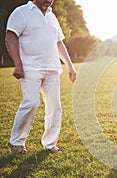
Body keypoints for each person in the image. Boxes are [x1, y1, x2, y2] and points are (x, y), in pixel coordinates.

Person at [5, 0, 77, 154]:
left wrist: (70, 66)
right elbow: (10, 38)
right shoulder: (21, 12)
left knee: (55, 107)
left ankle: (50, 144)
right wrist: (18, 64)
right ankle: (16, 142)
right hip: (30, 69)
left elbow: (59, 43)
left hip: (52, 69)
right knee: (31, 103)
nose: (48, 0)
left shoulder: (52, 16)